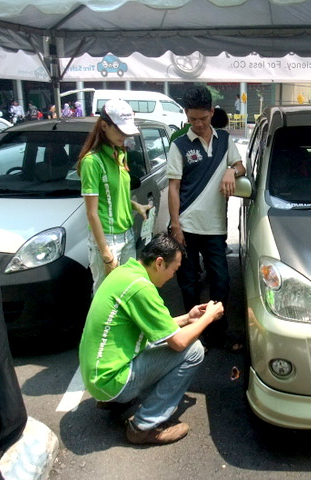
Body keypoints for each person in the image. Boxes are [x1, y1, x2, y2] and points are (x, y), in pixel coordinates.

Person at [79, 232, 224, 445]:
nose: (173, 276)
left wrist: (188, 317)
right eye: (174, 269)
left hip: (96, 376)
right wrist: (209, 318)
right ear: (159, 263)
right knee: (194, 351)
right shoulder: (141, 288)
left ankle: (116, 402)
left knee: (155, 340)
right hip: (109, 381)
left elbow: (159, 328)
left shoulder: (126, 273)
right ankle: (143, 426)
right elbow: (179, 343)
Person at [166, 86, 245, 348]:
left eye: (203, 118)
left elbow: (241, 165)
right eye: (192, 119)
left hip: (215, 228)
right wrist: (175, 225)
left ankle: (217, 333)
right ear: (186, 116)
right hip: (186, 226)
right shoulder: (179, 146)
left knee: (221, 281)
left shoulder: (224, 140)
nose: (198, 124)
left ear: (212, 112)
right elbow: (174, 188)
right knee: (188, 285)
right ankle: (194, 335)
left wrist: (231, 171)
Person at [77, 99, 151, 293]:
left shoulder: (119, 153)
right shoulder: (91, 162)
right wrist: (107, 255)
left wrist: (135, 206)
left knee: (126, 292)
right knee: (105, 296)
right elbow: (92, 213)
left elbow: (114, 195)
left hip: (126, 235)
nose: (124, 135)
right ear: (104, 126)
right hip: (108, 241)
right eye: (120, 130)